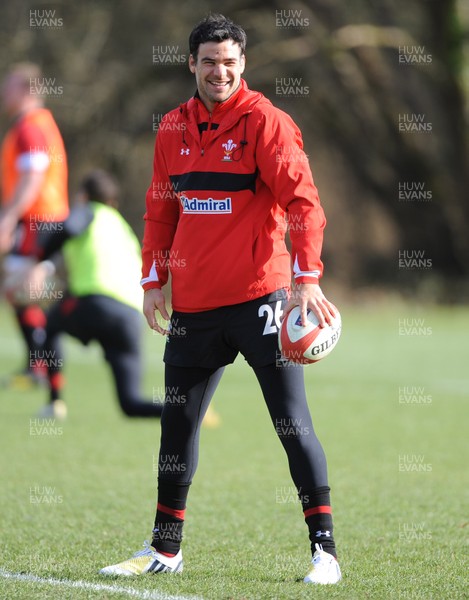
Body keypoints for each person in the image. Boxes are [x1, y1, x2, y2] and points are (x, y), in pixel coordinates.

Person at [100, 14, 341, 585]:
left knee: (290, 422)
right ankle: (165, 549)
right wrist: (152, 279)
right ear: (192, 64)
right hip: (194, 308)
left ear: (243, 65)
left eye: (230, 61)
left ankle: (325, 552)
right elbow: (160, 209)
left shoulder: (268, 124)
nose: (220, 71)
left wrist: (306, 279)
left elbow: (305, 204)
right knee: (177, 427)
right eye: (209, 61)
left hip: (263, 298)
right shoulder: (170, 129)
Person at [31, 170, 163, 419]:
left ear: (83, 196)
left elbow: (67, 230)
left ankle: (54, 402)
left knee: (49, 325)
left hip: (95, 304)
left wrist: (39, 258)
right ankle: (184, 410)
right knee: (130, 404)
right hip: (131, 318)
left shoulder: (87, 209)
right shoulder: (122, 227)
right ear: (113, 202)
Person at [0, 62, 69, 388]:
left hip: (40, 220)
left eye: (9, 85)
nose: (3, 91)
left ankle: (42, 363)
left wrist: (9, 216)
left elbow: (33, 175)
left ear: (27, 89)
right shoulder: (33, 123)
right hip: (40, 219)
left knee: (23, 289)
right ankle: (37, 364)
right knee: (20, 291)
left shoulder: (30, 126)